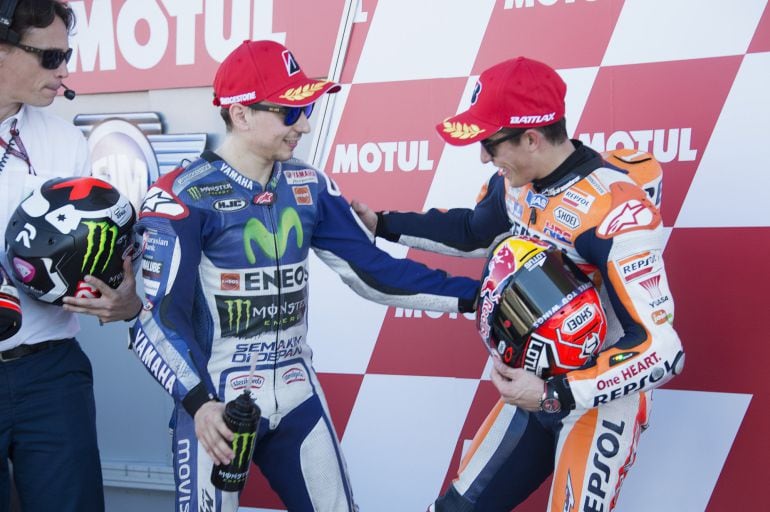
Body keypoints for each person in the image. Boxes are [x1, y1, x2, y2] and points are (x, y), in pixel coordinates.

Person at [129, 39, 478, 512]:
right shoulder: (183, 196)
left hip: (296, 393)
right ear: (241, 114)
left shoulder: (308, 185)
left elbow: (374, 273)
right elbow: (158, 318)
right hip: (215, 405)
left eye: (308, 107)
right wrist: (198, 404)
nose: (306, 124)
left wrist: (480, 295)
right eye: (291, 112)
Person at [352, 56, 684, 511]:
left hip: (600, 401)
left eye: (490, 143)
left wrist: (557, 394)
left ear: (531, 138)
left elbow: (662, 348)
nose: (484, 156)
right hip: (533, 388)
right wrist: (383, 224)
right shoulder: (517, 181)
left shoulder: (614, 210)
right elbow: (474, 231)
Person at [0, 1, 142, 510]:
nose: (64, 70)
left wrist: (123, 300)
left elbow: (100, 256)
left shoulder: (66, 140)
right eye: (50, 56)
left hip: (50, 373)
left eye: (68, 54)